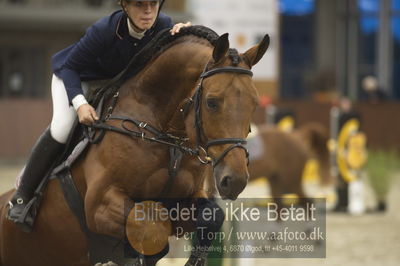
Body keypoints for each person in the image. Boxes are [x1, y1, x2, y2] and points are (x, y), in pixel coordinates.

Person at [7, 0, 191, 228]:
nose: (148, 11)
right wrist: (80, 103)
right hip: (77, 79)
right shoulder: (105, 29)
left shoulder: (163, 24)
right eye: (139, 4)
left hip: (113, 85)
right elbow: (70, 68)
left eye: (153, 4)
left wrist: (183, 36)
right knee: (63, 127)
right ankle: (22, 196)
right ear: (124, 6)